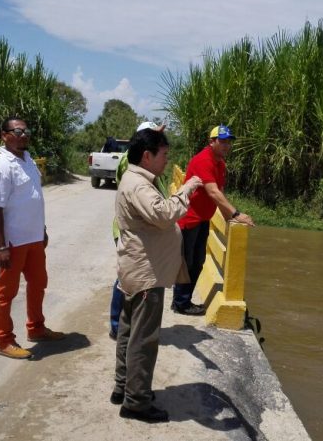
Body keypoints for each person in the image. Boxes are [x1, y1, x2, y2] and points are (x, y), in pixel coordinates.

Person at [111, 128, 202, 423]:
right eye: (163, 155)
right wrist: (185, 190)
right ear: (147, 156)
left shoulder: (136, 178)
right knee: (144, 338)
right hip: (146, 274)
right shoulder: (139, 185)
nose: (167, 160)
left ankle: (124, 387)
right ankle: (136, 402)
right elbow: (163, 215)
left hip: (135, 269)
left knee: (128, 331)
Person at [0, 117, 64, 360]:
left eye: (26, 130)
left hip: (34, 239)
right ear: (4, 135)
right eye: (17, 131)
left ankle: (36, 328)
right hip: (13, 242)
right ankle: (4, 340)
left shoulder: (28, 160)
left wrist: (42, 230)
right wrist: (1, 246)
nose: (23, 135)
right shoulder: (1, 166)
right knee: (6, 292)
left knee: (38, 284)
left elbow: (33, 200)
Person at [172, 125, 255, 315]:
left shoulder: (220, 163)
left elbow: (220, 192)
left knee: (198, 261)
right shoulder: (203, 160)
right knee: (188, 262)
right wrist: (236, 214)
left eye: (229, 142)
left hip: (202, 219)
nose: (227, 146)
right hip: (189, 219)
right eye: (223, 141)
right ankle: (181, 303)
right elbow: (212, 191)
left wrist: (227, 216)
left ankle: (182, 301)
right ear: (212, 142)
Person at [108, 121, 167, 340]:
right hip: (130, 228)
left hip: (139, 227)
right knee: (126, 277)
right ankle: (117, 323)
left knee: (128, 277)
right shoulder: (131, 163)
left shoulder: (145, 168)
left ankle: (123, 324)